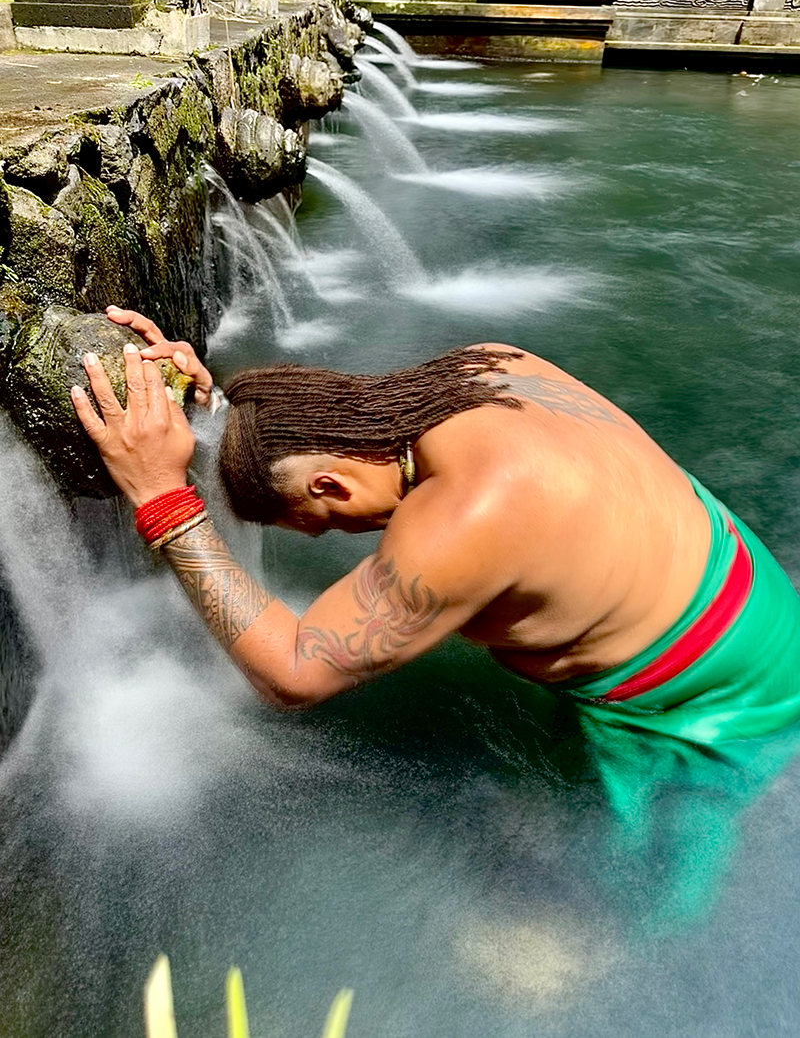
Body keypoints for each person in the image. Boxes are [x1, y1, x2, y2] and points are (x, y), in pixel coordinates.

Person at [70, 306, 800, 752]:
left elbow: (293, 672)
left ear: (330, 484)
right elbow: (293, 439)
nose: (336, 537)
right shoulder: (485, 369)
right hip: (745, 576)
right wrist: (206, 414)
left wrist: (160, 493)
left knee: (561, 939)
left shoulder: (465, 516)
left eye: (319, 525)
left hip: (715, 692)